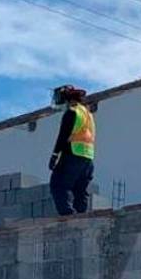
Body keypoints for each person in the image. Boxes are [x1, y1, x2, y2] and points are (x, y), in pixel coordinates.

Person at [48, 85, 95, 215]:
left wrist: (54, 155)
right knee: (80, 190)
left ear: (67, 99)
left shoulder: (72, 112)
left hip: (72, 154)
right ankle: (81, 216)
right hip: (88, 158)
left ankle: (67, 216)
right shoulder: (88, 114)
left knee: (58, 184)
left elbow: (63, 136)